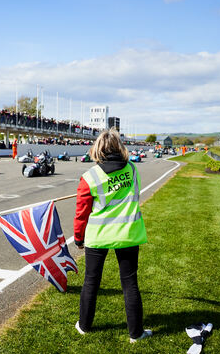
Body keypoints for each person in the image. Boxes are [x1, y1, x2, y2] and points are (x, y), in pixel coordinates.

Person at [73, 128, 152, 343]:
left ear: (98, 148)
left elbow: (82, 212)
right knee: (130, 283)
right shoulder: (133, 170)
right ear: (120, 147)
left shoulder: (88, 177)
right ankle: (136, 333)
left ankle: (84, 326)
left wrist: (78, 238)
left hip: (98, 236)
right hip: (127, 234)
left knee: (91, 281)